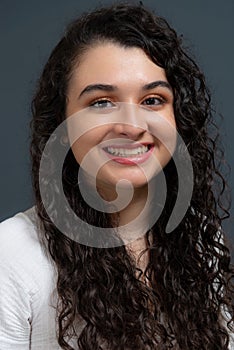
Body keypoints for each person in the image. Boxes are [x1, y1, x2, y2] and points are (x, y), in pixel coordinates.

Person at [0, 3, 233, 349]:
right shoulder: (11, 256)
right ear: (60, 125)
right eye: (101, 102)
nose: (133, 127)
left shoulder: (200, 240)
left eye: (153, 100)